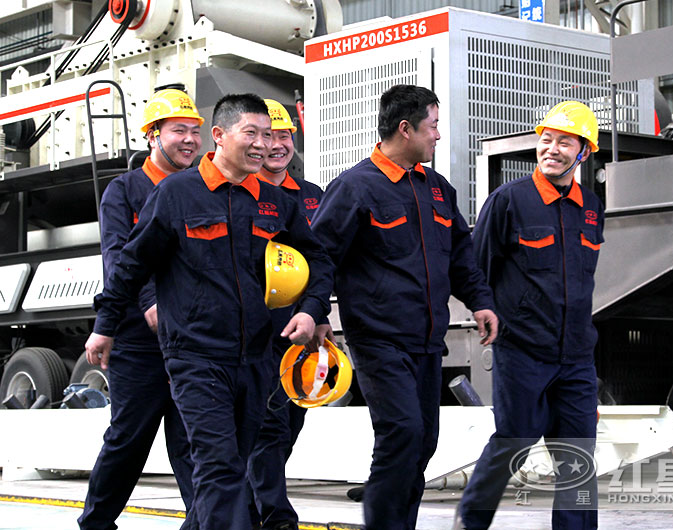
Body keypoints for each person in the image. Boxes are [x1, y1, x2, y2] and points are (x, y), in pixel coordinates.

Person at [84, 93, 334, 530]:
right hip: (195, 355)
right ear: (220, 136)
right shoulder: (175, 194)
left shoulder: (274, 201)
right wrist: (105, 326)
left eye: (269, 135)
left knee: (229, 465)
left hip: (254, 358)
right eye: (252, 133)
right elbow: (129, 264)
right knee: (215, 466)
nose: (263, 144)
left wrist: (312, 310)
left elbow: (319, 259)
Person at [310, 84, 499, 530]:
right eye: (433, 126)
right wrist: (315, 312)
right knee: (402, 434)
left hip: (428, 341)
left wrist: (481, 302)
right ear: (405, 129)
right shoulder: (355, 187)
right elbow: (320, 255)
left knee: (423, 441)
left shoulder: (438, 190)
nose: (438, 135)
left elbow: (460, 256)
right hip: (378, 339)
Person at [454, 100, 604, 530]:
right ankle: (470, 522)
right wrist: (489, 313)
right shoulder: (509, 201)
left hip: (576, 355)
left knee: (578, 456)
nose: (551, 149)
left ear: (583, 152)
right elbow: (477, 270)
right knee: (514, 440)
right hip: (523, 350)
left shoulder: (591, 207)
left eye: (564, 142)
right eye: (546, 140)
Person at [78, 87, 201, 530]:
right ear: (152, 135)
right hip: (139, 341)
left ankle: (203, 524)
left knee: (194, 443)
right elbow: (119, 256)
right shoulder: (124, 191)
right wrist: (147, 302)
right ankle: (96, 524)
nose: (190, 139)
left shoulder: (198, 189)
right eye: (178, 130)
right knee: (129, 438)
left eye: (195, 131)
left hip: (191, 337)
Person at [247, 99, 326, 530]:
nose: (277, 145)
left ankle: (251, 503)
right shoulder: (241, 193)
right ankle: (276, 516)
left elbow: (325, 259)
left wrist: (319, 312)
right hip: (259, 330)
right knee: (269, 425)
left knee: (293, 420)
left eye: (284, 136)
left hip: (304, 326)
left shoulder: (312, 197)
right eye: (269, 136)